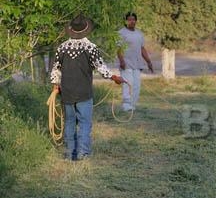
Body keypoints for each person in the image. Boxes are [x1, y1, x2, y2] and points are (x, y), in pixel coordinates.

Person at [50, 14, 125, 161]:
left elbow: (55, 70)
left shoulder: (62, 47)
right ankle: (82, 153)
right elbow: (101, 68)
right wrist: (114, 77)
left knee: (69, 122)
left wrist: (55, 87)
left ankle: (69, 153)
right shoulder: (90, 47)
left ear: (71, 29)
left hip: (67, 92)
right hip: (83, 91)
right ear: (86, 30)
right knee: (84, 123)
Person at [117, 12, 153, 112]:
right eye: (129, 19)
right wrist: (122, 61)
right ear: (126, 21)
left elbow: (142, 49)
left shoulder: (139, 34)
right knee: (128, 84)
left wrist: (149, 62)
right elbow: (119, 49)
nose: (132, 21)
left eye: (133, 19)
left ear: (136, 21)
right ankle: (126, 106)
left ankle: (132, 105)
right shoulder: (121, 33)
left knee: (137, 86)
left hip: (137, 64)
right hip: (126, 64)